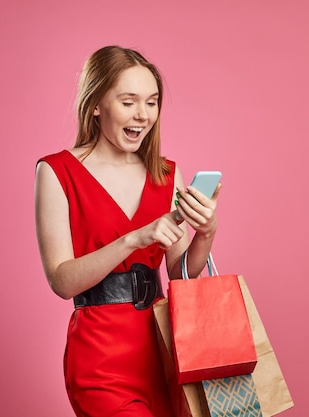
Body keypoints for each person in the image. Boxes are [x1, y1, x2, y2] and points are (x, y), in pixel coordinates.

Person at [34, 45, 220, 417]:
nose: (142, 115)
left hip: (166, 350)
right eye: (128, 101)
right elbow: (62, 281)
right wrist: (134, 239)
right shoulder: (57, 172)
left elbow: (180, 273)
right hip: (100, 358)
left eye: (151, 102)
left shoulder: (166, 174)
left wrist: (206, 232)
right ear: (96, 103)